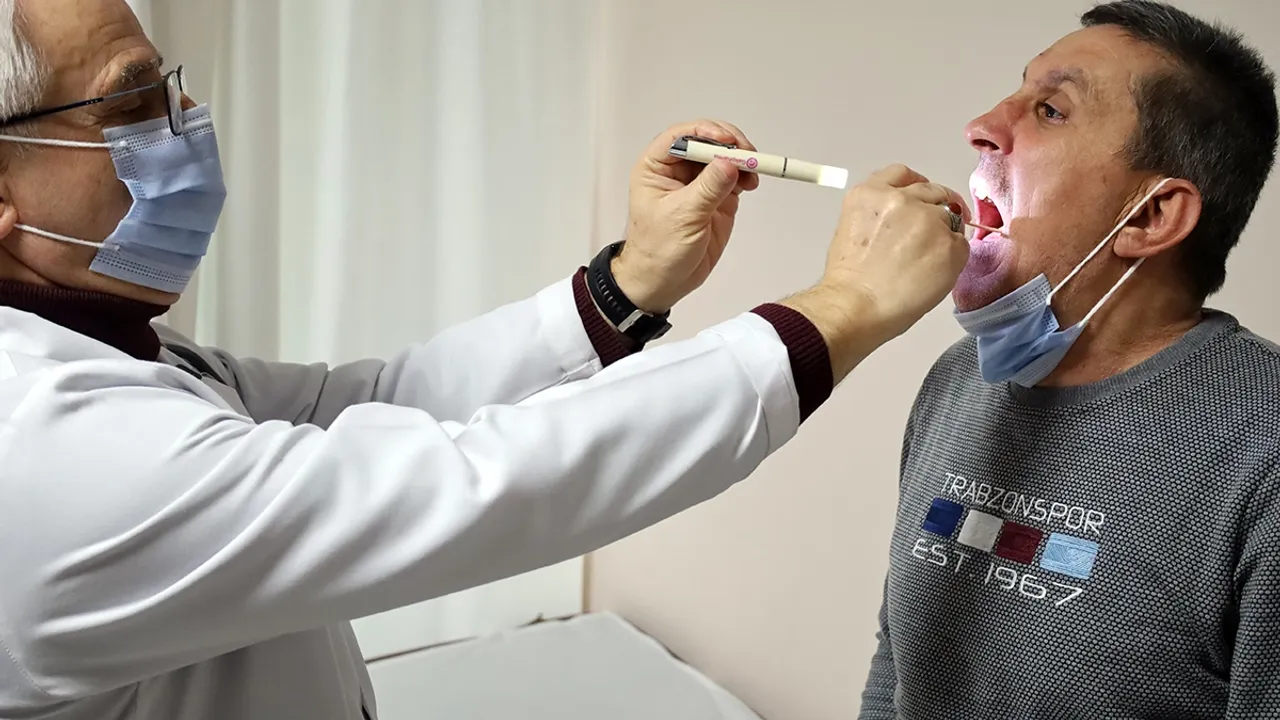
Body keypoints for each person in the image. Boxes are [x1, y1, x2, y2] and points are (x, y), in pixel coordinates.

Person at [0, 1, 973, 719]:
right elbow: (473, 487)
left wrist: (626, 285)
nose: (186, 113)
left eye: (167, 85)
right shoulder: (47, 457)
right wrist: (840, 310)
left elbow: (366, 408)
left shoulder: (96, 348)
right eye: (132, 99)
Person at [859, 1, 1280, 718]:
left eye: (1051, 110)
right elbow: (896, 663)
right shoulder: (959, 380)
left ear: (1149, 216)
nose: (982, 125)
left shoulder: (1265, 449)